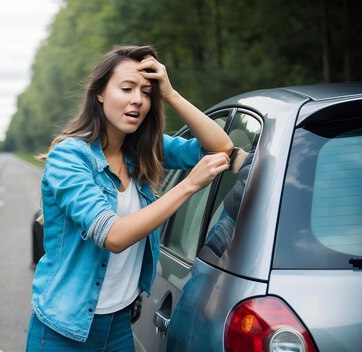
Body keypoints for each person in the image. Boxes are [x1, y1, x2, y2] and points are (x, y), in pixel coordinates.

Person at [26, 45, 233, 351]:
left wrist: (171, 94)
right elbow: (113, 235)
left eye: (146, 92)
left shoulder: (142, 149)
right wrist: (189, 185)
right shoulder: (69, 157)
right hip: (63, 332)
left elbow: (221, 147)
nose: (138, 99)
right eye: (126, 88)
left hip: (119, 328)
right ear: (99, 94)